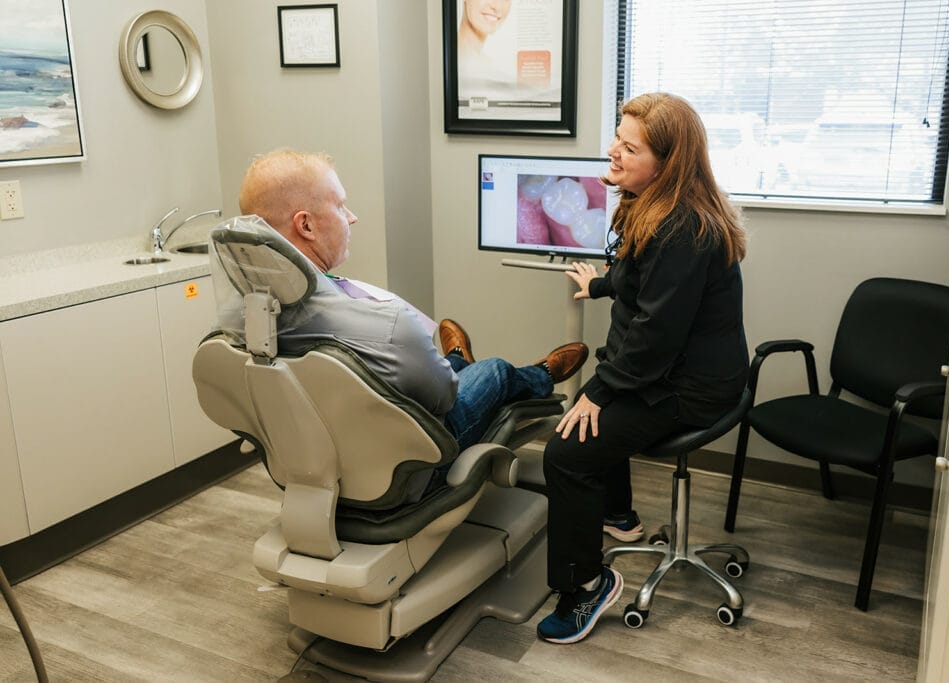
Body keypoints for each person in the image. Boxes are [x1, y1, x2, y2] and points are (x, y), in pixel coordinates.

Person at [536, 93, 749, 644]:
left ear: (668, 162)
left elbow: (656, 334)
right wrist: (601, 284)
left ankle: (587, 585)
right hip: (664, 369)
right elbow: (642, 282)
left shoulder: (684, 228)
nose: (613, 151)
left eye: (629, 147)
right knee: (594, 414)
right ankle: (621, 518)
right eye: (617, 137)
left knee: (567, 449)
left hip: (694, 387)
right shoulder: (649, 202)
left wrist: (600, 392)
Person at [233, 148, 588, 460]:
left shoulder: (243, 322)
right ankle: (539, 375)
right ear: (306, 225)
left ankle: (457, 359)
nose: (352, 217)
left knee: (451, 369)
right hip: (415, 460)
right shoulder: (383, 324)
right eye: (340, 206)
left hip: (323, 458)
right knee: (494, 370)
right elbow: (444, 397)